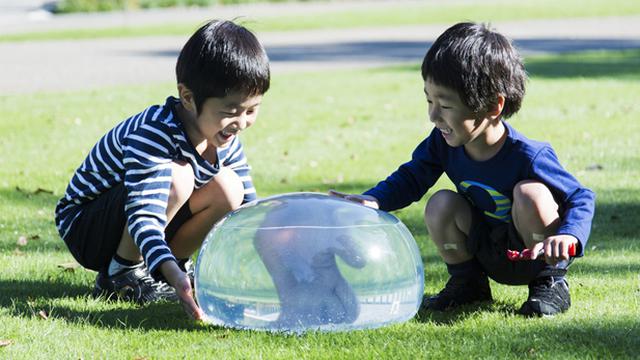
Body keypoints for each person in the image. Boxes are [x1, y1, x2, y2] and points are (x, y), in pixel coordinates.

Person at [331, 22, 595, 316]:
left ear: (493, 107)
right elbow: (411, 177)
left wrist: (570, 236)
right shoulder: (443, 143)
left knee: (530, 193)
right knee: (440, 202)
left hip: (532, 254)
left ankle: (550, 283)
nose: (432, 115)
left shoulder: (529, 155)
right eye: (429, 100)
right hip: (485, 251)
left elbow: (581, 196)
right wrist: (376, 199)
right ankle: (467, 283)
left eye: (444, 105)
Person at [54, 19, 270, 319]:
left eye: (252, 110)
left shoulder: (224, 137)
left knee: (230, 188)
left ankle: (168, 271)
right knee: (179, 176)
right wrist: (170, 272)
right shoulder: (155, 132)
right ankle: (121, 273)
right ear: (189, 98)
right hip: (86, 226)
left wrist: (279, 270)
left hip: (144, 219)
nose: (242, 122)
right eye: (231, 112)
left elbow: (248, 211)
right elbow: (144, 213)